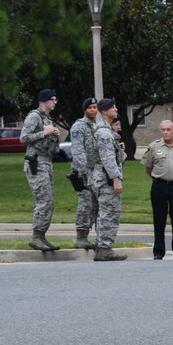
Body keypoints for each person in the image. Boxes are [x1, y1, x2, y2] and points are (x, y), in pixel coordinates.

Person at [141, 120, 173, 260]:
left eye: (168, 129)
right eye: (163, 129)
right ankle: (158, 252)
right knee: (159, 219)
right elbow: (148, 168)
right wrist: (160, 178)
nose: (165, 132)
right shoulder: (153, 147)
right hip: (159, 186)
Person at [20, 89, 61, 251]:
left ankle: (41, 236)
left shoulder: (47, 118)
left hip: (46, 163)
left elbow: (53, 148)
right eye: (53, 99)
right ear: (44, 100)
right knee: (44, 200)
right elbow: (23, 138)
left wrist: (54, 134)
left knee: (49, 201)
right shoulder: (34, 117)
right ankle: (37, 237)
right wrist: (44, 132)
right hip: (35, 164)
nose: (55, 102)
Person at [90, 98, 127, 261]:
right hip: (106, 180)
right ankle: (105, 248)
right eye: (113, 107)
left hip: (102, 178)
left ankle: (101, 246)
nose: (116, 108)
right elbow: (107, 158)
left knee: (104, 213)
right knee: (109, 213)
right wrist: (116, 179)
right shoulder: (104, 132)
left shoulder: (105, 130)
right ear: (104, 111)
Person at [69, 97, 99, 249]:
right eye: (90, 107)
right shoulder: (78, 127)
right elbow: (77, 150)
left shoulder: (96, 126)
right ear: (84, 110)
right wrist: (84, 171)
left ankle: (86, 236)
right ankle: (80, 238)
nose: (93, 110)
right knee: (85, 203)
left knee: (94, 205)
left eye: (95, 107)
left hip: (94, 172)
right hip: (82, 173)